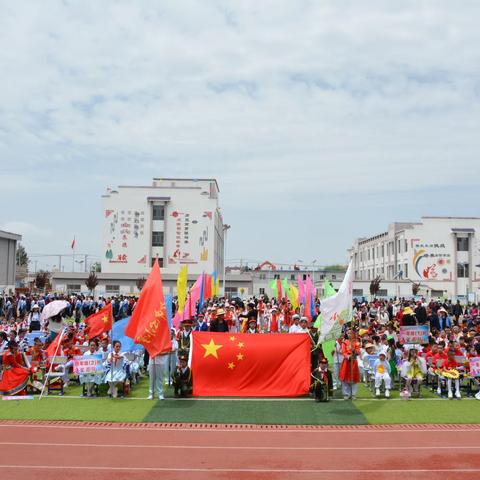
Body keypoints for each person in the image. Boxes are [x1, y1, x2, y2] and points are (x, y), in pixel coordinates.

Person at [339, 329, 361, 400]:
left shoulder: (357, 342)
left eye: (350, 333)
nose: (349, 334)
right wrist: (348, 356)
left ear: (353, 334)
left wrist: (353, 350)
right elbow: (343, 352)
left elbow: (358, 351)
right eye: (348, 333)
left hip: (354, 362)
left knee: (353, 379)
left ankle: (353, 394)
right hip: (346, 362)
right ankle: (346, 394)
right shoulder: (344, 342)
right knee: (345, 379)